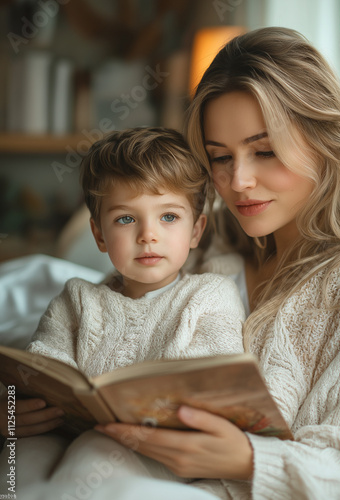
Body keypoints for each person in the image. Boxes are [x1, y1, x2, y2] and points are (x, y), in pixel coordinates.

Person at [2, 27, 340, 500]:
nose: (239, 182)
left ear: (323, 141)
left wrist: (251, 460)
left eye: (265, 150)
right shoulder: (207, 238)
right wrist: (12, 406)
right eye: (219, 157)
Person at [0, 127, 245, 498]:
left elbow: (214, 381)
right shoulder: (77, 299)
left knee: (94, 452)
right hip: (67, 430)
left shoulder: (210, 295)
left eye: (168, 217)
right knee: (20, 458)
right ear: (99, 235)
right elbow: (39, 372)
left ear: (196, 230)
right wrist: (12, 414)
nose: (148, 235)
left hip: (155, 447)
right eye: (126, 219)